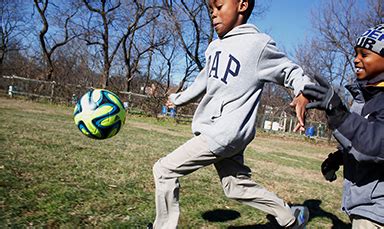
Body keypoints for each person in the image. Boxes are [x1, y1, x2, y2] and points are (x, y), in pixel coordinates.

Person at [151, 0, 313, 228]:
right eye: (210, 10)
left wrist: (303, 91)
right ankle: (290, 218)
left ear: (242, 5)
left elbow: (290, 70)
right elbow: (202, 82)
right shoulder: (214, 47)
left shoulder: (258, 45)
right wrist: (177, 99)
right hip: (223, 133)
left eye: (218, 7)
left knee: (164, 169)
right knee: (235, 186)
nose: (213, 15)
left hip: (223, 133)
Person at [302, 24, 384, 228]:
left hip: (377, 212)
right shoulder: (365, 97)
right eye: (356, 53)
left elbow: (377, 143)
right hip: (363, 205)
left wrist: (339, 114)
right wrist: (338, 158)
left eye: (365, 54)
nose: (356, 59)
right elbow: (360, 140)